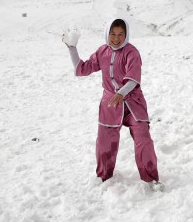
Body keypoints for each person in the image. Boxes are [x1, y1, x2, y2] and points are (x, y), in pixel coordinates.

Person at [64, 18, 162, 189]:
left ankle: (150, 179)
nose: (116, 38)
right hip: (110, 104)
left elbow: (133, 80)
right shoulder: (102, 52)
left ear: (126, 35)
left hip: (133, 103)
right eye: (113, 34)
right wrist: (72, 48)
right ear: (107, 34)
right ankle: (104, 176)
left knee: (143, 138)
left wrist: (121, 93)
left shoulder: (132, 52)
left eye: (120, 34)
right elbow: (81, 69)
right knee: (104, 142)